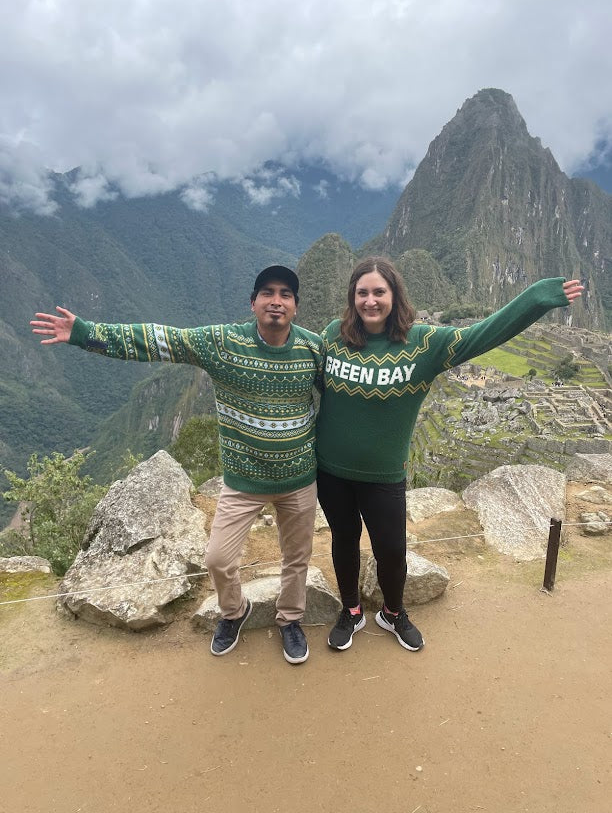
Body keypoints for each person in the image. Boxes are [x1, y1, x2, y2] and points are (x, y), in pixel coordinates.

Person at [31, 265, 323, 665]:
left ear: (296, 305)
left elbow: (346, 393)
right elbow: (159, 340)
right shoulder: (223, 344)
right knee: (218, 559)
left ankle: (290, 619)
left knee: (297, 557)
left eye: (286, 294)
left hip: (299, 480)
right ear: (252, 303)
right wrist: (84, 333)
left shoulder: (313, 349)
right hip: (243, 481)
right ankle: (235, 611)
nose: (277, 301)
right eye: (268, 293)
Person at [316, 256, 583, 652]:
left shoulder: (424, 343)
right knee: (344, 539)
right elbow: (303, 374)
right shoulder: (333, 336)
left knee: (392, 550)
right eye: (362, 293)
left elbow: (484, 334)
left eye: (379, 292)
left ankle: (392, 612)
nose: (370, 301)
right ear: (352, 297)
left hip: (385, 475)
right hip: (332, 470)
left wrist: (537, 298)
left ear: (394, 296)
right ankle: (351, 611)